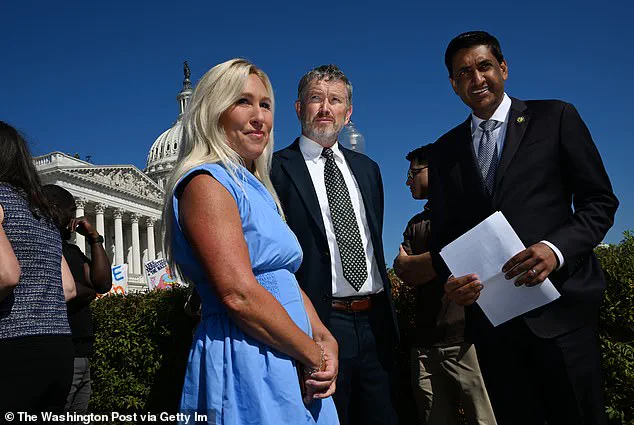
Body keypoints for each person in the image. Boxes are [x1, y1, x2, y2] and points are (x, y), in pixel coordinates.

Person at [429, 31, 619, 425]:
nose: (476, 78)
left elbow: (599, 202)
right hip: (495, 328)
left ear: (503, 68)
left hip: (563, 313)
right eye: (463, 73)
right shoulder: (444, 151)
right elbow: (445, 234)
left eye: (484, 66)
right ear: (453, 84)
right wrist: (451, 280)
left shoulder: (556, 117)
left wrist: (555, 250)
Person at [162, 58, 340, 425]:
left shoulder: (257, 187)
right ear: (213, 110)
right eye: (243, 101)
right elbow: (239, 295)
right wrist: (312, 353)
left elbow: (282, 277)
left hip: (291, 352)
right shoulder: (206, 182)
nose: (259, 117)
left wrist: (324, 338)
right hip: (248, 354)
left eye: (265, 104)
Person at [271, 64, 398, 425]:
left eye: (335, 100)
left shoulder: (368, 170)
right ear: (299, 108)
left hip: (376, 323)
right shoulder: (275, 170)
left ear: (348, 112)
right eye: (316, 98)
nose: (326, 108)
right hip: (319, 324)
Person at [393, 145, 496, 425]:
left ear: (435, 170)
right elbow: (405, 271)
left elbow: (466, 258)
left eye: (413, 173)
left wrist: (422, 262)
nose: (407, 181)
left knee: (484, 418)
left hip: (467, 341)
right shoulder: (416, 224)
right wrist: (443, 259)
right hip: (425, 343)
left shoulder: (466, 214)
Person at [0, 121, 77, 415]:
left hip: (10, 344)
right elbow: (67, 289)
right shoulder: (41, 210)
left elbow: (6, 276)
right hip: (58, 347)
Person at [42, 184, 113, 414]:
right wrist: (85, 291)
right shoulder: (44, 247)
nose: (75, 217)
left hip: (82, 352)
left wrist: (94, 238)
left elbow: (102, 283)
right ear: (54, 209)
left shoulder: (72, 251)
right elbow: (69, 290)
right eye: (72, 210)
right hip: (61, 352)